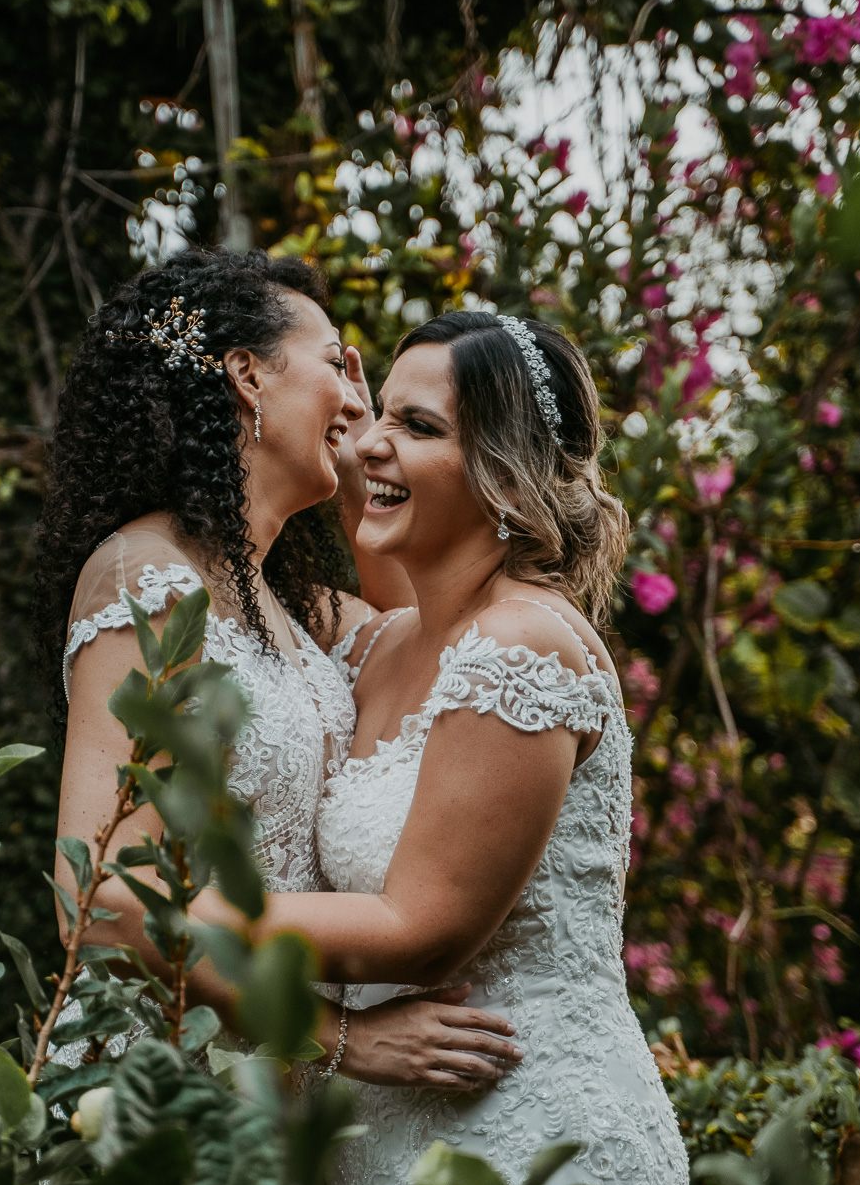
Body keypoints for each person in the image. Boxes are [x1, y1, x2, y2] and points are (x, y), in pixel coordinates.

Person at [192, 310, 694, 1185]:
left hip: (534, 1150)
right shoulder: (382, 645)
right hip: (390, 1153)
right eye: (371, 415)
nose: (371, 444)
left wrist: (190, 917)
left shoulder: (524, 648)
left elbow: (420, 924)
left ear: (507, 480)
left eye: (418, 427)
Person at [33, 248, 522, 1091]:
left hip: (284, 1094)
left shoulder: (283, 605)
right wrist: (344, 1040)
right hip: (173, 1076)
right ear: (247, 377)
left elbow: (423, 631)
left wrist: (355, 444)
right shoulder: (145, 577)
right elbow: (102, 902)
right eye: (338, 364)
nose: (361, 403)